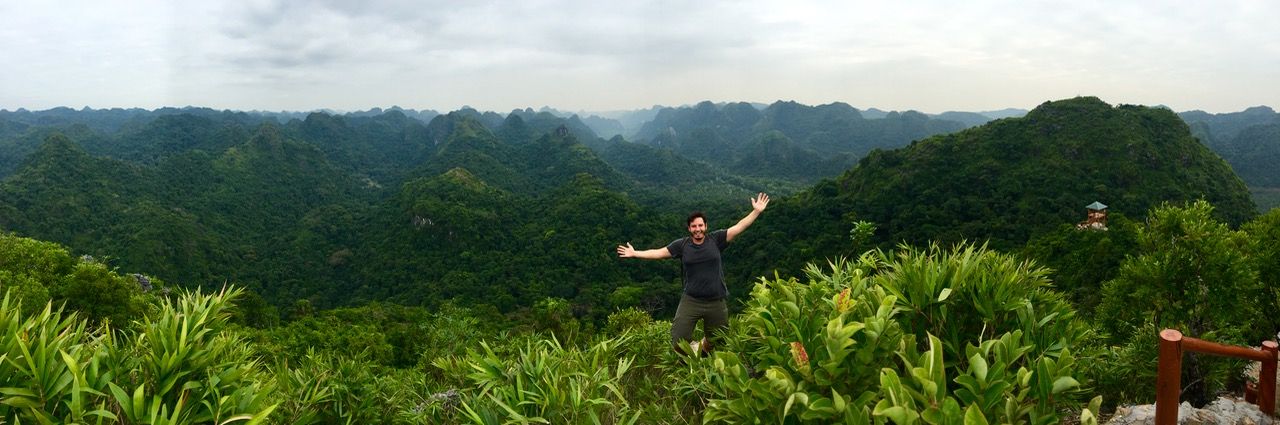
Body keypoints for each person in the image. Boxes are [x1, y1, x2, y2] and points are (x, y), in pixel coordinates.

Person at [616, 193, 769, 354]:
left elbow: (739, 227)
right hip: (692, 299)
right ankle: (696, 351)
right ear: (689, 228)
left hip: (716, 300)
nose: (698, 229)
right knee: (678, 340)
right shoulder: (682, 245)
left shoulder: (716, 240)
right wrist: (635, 253)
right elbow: (659, 253)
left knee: (718, 339)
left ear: (706, 226)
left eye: (700, 225)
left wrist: (756, 211)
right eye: (694, 226)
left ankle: (703, 354)